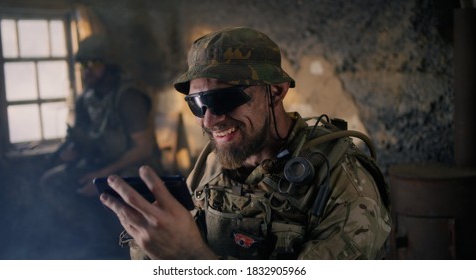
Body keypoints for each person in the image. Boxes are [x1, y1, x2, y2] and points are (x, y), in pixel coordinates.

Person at [100, 27, 391, 260]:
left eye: (224, 99)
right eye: (198, 104)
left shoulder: (344, 184)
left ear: (275, 92)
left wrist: (190, 258)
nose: (209, 120)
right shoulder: (215, 161)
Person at [40, 33, 164, 200]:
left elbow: (143, 149)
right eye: (83, 65)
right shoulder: (85, 100)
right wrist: (73, 152)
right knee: (52, 182)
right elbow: (85, 139)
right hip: (104, 162)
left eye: (94, 63)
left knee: (120, 193)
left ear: (110, 66)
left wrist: (101, 175)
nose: (87, 70)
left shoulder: (128, 97)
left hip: (133, 167)